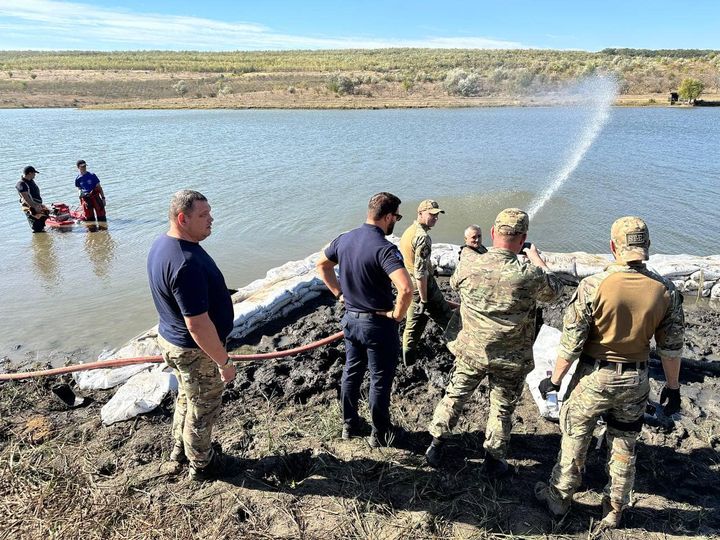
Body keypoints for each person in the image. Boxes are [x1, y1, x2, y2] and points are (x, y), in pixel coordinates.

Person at [535, 216, 684, 530]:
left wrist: (555, 380)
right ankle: (614, 508)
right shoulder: (665, 289)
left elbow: (571, 344)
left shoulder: (594, 285)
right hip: (637, 379)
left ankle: (560, 498)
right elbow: (671, 348)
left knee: (576, 435)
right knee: (624, 443)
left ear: (613, 246)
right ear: (647, 247)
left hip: (594, 378)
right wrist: (672, 387)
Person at [425, 208, 563, 474]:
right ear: (523, 239)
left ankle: (436, 444)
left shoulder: (469, 263)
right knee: (502, 407)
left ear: (492, 233)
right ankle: (494, 459)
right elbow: (554, 291)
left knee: (455, 395)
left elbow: (455, 283)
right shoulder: (529, 273)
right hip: (509, 356)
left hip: (471, 349)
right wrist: (538, 261)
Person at [147, 190, 236, 482]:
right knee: (203, 406)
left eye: (210, 212)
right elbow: (197, 325)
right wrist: (223, 362)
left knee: (187, 396)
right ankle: (202, 463)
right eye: (203, 215)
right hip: (194, 350)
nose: (211, 219)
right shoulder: (185, 263)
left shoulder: (162, 245)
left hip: (171, 340)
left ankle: (180, 449)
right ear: (182, 218)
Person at [316, 192, 413, 447]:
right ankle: (380, 433)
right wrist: (397, 315)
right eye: (397, 217)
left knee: (352, 372)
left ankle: (350, 425)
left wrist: (339, 294)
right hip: (378, 324)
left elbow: (322, 265)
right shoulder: (384, 249)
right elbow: (405, 289)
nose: (396, 222)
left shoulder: (345, 239)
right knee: (380, 378)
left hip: (351, 320)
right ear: (389, 216)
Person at [399, 199, 455, 365]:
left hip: (411, 285)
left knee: (413, 327)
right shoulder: (423, 238)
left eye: (437, 215)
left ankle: (408, 362)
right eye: (431, 215)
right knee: (449, 321)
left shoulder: (409, 231)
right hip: (424, 289)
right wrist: (424, 299)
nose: (435, 218)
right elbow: (421, 272)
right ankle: (463, 356)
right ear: (420, 213)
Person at [16, 165, 49, 233]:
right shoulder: (21, 184)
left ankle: (42, 238)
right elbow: (26, 198)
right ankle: (38, 238)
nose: (35, 175)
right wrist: (34, 207)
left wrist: (39, 205)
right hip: (30, 207)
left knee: (44, 218)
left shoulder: (31, 181)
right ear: (30, 173)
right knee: (36, 226)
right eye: (34, 173)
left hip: (37, 205)